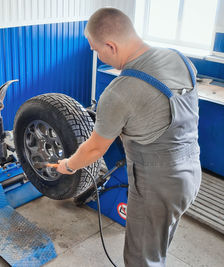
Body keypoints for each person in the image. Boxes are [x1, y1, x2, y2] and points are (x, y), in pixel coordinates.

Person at [56, 7, 201, 267]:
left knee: (140, 259)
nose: (97, 54)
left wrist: (67, 166)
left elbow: (93, 150)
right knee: (158, 244)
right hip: (190, 175)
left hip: (156, 187)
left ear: (110, 46)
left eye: (96, 49)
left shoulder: (119, 91)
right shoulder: (180, 59)